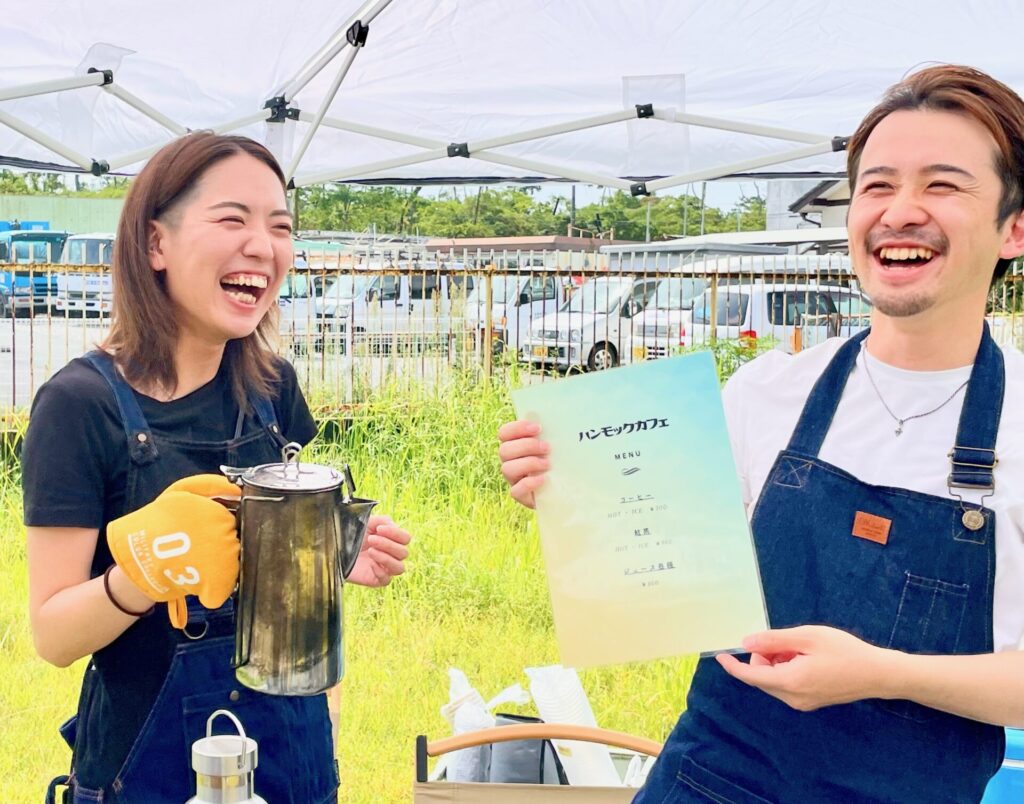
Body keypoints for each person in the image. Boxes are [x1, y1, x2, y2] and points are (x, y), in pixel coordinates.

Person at [498, 64, 1024, 802]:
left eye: (942, 184)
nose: (901, 210)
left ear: (1013, 227)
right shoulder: (766, 394)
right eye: (876, 185)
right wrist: (575, 490)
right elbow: (670, 570)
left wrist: (879, 673)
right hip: (710, 780)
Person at [23, 132, 412, 803]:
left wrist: (331, 555)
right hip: (146, 768)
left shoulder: (271, 389)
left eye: (280, 226)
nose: (262, 245)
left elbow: (283, 574)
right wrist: (146, 573)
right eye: (232, 219)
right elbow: (54, 634)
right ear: (155, 244)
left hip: (293, 754)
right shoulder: (80, 405)